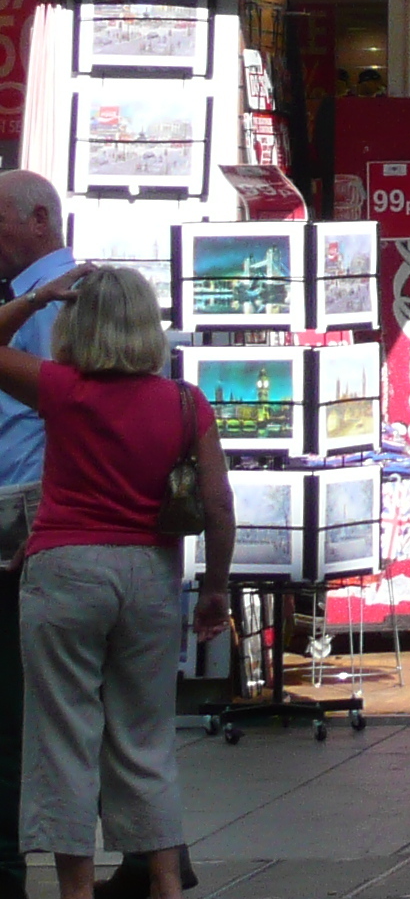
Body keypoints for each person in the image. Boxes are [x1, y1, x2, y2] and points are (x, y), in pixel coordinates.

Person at [0, 264, 229, 899]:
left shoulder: (60, 388)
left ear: (76, 325)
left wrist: (35, 297)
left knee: (62, 734)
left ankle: (76, 891)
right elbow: (218, 504)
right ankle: (164, 882)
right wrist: (214, 587)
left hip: (65, 573)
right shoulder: (186, 402)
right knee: (145, 734)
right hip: (149, 574)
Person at [0, 170, 73, 863]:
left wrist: (47, 513)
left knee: (24, 701)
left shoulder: (50, 303)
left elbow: (66, 416)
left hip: (27, 515)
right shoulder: (33, 299)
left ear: (40, 219)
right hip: (33, 509)